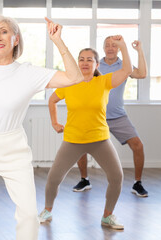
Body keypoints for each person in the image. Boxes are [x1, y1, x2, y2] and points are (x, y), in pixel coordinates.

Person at [0, 15, 84, 240]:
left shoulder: (28, 73)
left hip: (13, 149)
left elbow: (75, 77)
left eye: (4, 31)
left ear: (15, 39)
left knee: (28, 214)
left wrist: (58, 41)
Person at [39, 37, 132, 230]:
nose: (84, 62)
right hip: (73, 139)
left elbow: (127, 70)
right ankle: (47, 210)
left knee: (117, 177)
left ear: (97, 64)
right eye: (81, 59)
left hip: (99, 139)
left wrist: (122, 46)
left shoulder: (105, 81)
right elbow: (52, 100)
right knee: (54, 178)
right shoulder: (69, 84)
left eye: (89, 59)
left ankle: (107, 216)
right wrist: (54, 122)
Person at [73, 38, 148, 197]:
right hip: (94, 116)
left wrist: (139, 50)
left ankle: (138, 183)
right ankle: (84, 179)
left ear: (119, 48)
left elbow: (142, 74)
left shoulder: (124, 65)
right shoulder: (95, 64)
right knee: (80, 146)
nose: (110, 48)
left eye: (114, 45)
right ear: (103, 48)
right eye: (107, 45)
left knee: (138, 145)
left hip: (117, 116)